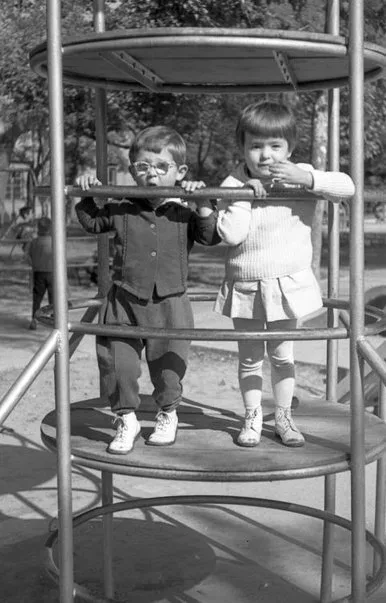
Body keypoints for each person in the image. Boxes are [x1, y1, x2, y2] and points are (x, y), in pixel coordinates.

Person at [215, 101, 355, 448]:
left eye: (275, 146)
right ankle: (251, 416)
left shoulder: (300, 176)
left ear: (289, 148)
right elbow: (230, 234)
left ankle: (282, 415)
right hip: (246, 283)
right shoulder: (233, 182)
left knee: (282, 355)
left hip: (287, 284)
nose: (265, 156)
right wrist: (244, 195)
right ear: (243, 148)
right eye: (256, 146)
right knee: (249, 358)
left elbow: (347, 187)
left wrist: (307, 178)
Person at [75, 125, 220, 455]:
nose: (151, 175)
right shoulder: (123, 208)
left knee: (168, 367)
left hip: (170, 303)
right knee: (117, 364)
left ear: (180, 171)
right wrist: (87, 192)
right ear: (132, 171)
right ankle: (126, 417)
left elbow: (210, 236)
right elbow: (91, 221)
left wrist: (202, 200)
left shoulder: (184, 211)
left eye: (161, 167)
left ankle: (168, 412)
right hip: (124, 300)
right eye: (143, 167)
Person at [25, 216, 53, 330]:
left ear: (38, 228)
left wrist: (34, 264)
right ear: (50, 228)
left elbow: (27, 256)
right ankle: (55, 319)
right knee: (54, 298)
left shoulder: (34, 242)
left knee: (37, 298)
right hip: (52, 273)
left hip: (39, 273)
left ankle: (34, 320)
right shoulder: (54, 241)